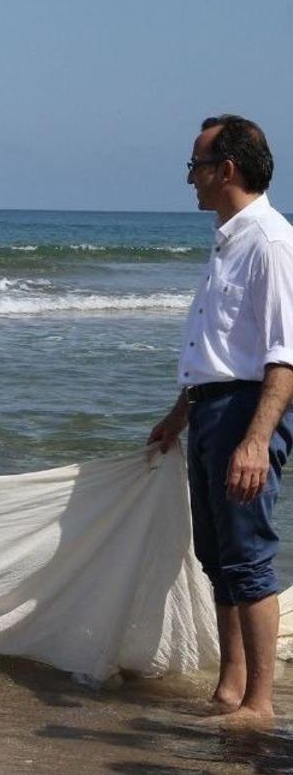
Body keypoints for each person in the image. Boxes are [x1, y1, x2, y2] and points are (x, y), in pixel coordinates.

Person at [148, 115, 293, 723]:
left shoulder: (271, 243)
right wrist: (179, 414)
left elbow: (284, 356)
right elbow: (218, 347)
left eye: (196, 166)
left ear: (226, 169)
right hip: (211, 409)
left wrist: (256, 440)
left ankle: (259, 704)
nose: (191, 179)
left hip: (245, 411)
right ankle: (229, 690)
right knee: (217, 557)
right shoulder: (228, 241)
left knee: (247, 557)